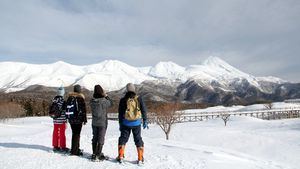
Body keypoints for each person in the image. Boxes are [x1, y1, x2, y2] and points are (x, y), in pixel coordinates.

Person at [116, 83, 148, 164]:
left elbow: (120, 113)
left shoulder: (123, 100)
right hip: (136, 123)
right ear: (134, 89)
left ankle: (120, 156)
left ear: (127, 90)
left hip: (126, 123)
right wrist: (145, 120)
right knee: (138, 139)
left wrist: (120, 123)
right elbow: (144, 110)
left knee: (123, 139)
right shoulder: (139, 99)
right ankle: (140, 158)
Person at [90, 85, 113, 161]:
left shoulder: (92, 101)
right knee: (101, 138)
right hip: (102, 123)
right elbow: (111, 103)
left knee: (95, 137)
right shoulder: (103, 101)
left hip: (94, 122)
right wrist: (106, 96)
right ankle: (98, 155)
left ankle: (94, 153)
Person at [66, 84, 87, 156]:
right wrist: (85, 119)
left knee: (74, 134)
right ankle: (75, 151)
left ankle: (75, 148)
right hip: (78, 119)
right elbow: (83, 110)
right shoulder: (80, 98)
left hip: (71, 119)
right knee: (77, 134)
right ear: (79, 90)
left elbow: (66, 108)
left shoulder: (70, 97)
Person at [50, 87, 68, 152]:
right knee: (62, 134)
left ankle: (55, 146)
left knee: (55, 133)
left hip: (55, 120)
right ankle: (62, 147)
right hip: (62, 120)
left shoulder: (54, 100)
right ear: (63, 93)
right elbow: (65, 111)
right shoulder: (63, 101)